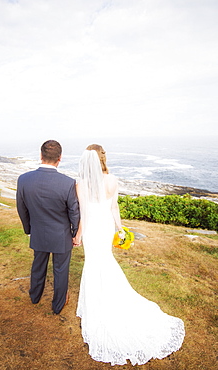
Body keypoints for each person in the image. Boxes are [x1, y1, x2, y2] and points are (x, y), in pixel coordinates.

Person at [73, 144, 185, 366]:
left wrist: (78, 235)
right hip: (105, 227)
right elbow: (114, 207)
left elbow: (84, 214)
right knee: (104, 261)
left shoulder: (81, 184)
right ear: (103, 159)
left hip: (93, 228)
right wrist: (119, 228)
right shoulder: (112, 180)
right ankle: (103, 298)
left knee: (94, 263)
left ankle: (96, 305)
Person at [16, 140, 80, 314]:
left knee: (38, 265)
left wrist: (29, 229)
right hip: (61, 235)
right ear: (60, 158)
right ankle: (57, 305)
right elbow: (74, 212)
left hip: (38, 231)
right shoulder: (68, 182)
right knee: (60, 270)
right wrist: (75, 233)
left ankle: (34, 296)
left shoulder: (23, 179)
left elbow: (21, 208)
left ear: (40, 156)